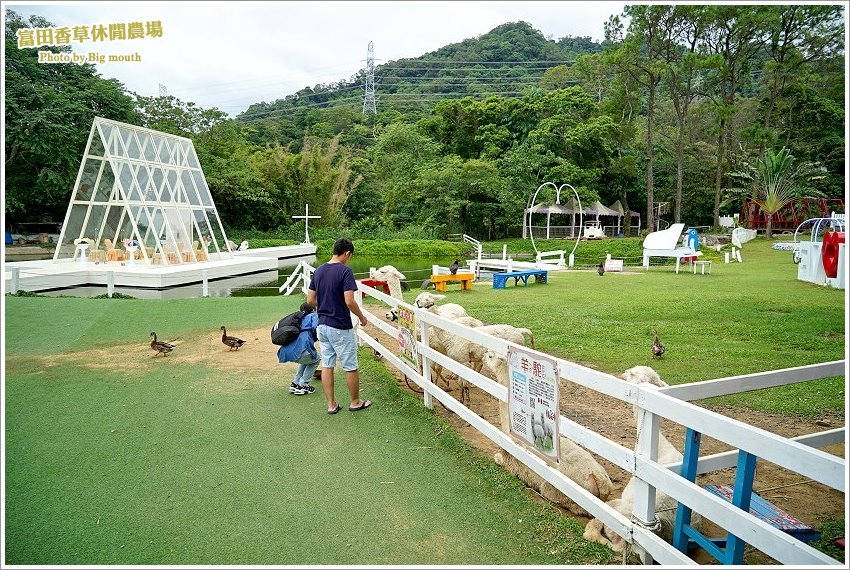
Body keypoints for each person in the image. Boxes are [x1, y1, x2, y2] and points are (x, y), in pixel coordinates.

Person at [306, 237, 371, 414]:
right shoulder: (345, 272)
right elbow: (349, 301)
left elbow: (310, 300)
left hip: (322, 325)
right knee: (350, 365)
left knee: (327, 364)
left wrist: (326, 302)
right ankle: (355, 402)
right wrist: (362, 317)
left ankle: (331, 405)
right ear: (347, 253)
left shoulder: (319, 271)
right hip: (340, 326)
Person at [277, 302, 320, 395]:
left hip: (287, 351)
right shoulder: (313, 316)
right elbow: (316, 328)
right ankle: (303, 385)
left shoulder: (297, 319)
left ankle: (295, 383)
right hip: (301, 350)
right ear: (313, 310)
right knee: (316, 359)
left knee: (307, 360)